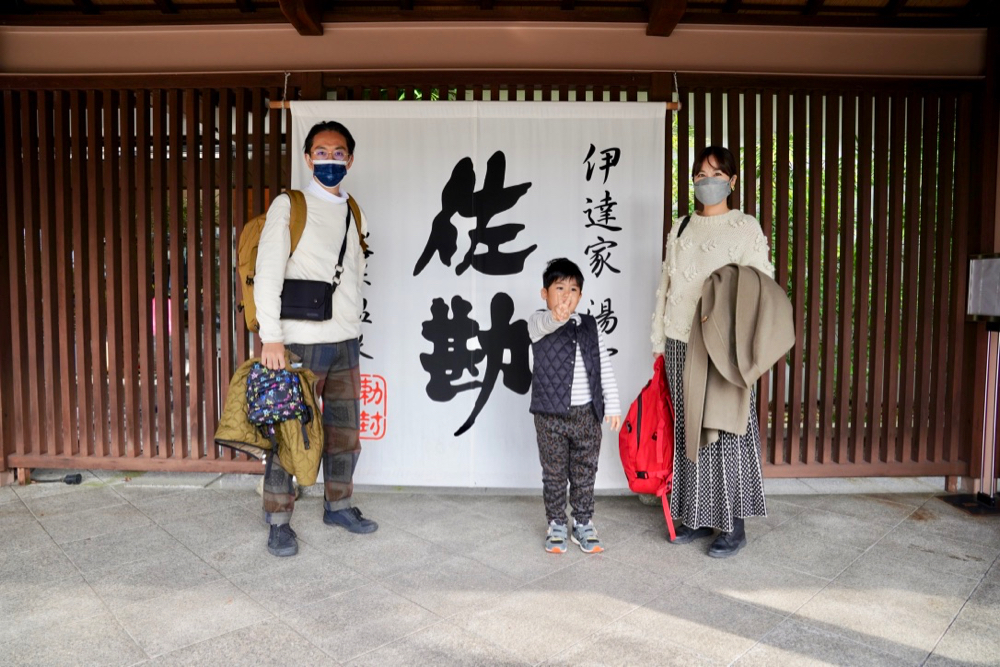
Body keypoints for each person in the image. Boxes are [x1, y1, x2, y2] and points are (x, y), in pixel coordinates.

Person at [254, 120, 376, 557]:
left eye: (337, 152)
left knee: (344, 432)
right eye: (320, 152)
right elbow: (267, 273)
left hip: (344, 339)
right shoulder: (291, 206)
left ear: (350, 159)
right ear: (307, 158)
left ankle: (338, 504)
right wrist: (271, 339)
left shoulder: (353, 209)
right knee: (290, 433)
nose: (329, 160)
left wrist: (352, 328)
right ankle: (278, 519)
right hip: (297, 343)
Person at [650, 146, 775, 558]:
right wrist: (658, 340)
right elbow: (666, 285)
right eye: (701, 174)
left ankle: (732, 526)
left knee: (726, 429)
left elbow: (759, 287)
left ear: (733, 181)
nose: (708, 181)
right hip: (681, 340)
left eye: (717, 173)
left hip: (725, 348)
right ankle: (696, 515)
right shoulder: (682, 226)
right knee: (689, 427)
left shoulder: (745, 227)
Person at [528, 258, 621, 554]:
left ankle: (582, 523)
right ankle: (556, 522)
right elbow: (548, 322)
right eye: (559, 288)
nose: (566, 295)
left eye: (573, 289)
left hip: (587, 414)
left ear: (580, 295)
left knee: (584, 471)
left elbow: (604, 366)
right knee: (554, 472)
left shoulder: (591, 326)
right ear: (545, 293)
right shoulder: (538, 322)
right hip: (550, 414)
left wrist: (613, 405)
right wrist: (557, 317)